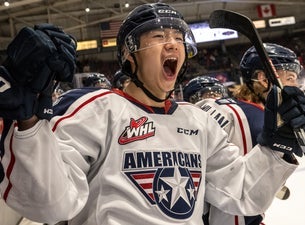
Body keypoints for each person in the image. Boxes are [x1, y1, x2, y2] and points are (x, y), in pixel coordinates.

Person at [0, 3, 304, 225]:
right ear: (129, 57)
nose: (172, 42)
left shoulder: (198, 122)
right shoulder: (97, 110)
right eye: (157, 36)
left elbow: (241, 193)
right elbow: (53, 204)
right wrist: (29, 124)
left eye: (176, 36)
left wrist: (274, 147)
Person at [194, 43, 303, 225]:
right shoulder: (255, 120)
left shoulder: (223, 107)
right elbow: (238, 202)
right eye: (291, 78)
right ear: (263, 78)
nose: (296, 86)